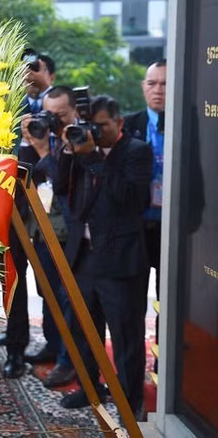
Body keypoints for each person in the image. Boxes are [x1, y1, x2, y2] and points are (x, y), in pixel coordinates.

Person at [54, 96, 152, 422]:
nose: (95, 132)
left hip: (120, 260)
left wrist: (94, 156)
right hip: (83, 256)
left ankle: (129, 402)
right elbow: (60, 186)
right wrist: (69, 151)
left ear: (119, 123)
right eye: (90, 126)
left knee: (125, 336)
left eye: (102, 126)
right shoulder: (81, 147)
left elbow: (132, 200)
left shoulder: (136, 151)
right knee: (82, 329)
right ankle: (89, 389)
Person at [0, 48, 56, 379]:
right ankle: (16, 349)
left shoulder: (57, 103)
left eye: (36, 68)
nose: (28, 74)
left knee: (51, 280)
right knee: (14, 278)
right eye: (23, 69)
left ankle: (56, 345)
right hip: (14, 204)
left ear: (50, 74)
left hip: (51, 207)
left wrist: (44, 88)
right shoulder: (7, 105)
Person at [21, 86, 79, 387]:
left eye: (60, 115)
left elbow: (62, 182)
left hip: (70, 234)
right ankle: (53, 345)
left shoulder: (79, 138)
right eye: (48, 114)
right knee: (47, 291)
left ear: (74, 111)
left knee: (68, 298)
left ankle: (69, 361)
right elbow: (25, 171)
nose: (53, 121)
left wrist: (44, 151)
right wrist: (28, 139)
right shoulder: (42, 134)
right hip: (43, 228)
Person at [123, 59, 165, 371]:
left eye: (165, 84)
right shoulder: (127, 125)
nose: (158, 90)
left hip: (172, 229)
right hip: (134, 228)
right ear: (143, 87)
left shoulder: (193, 125)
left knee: (170, 303)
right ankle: (131, 376)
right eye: (152, 83)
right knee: (131, 305)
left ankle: (166, 365)